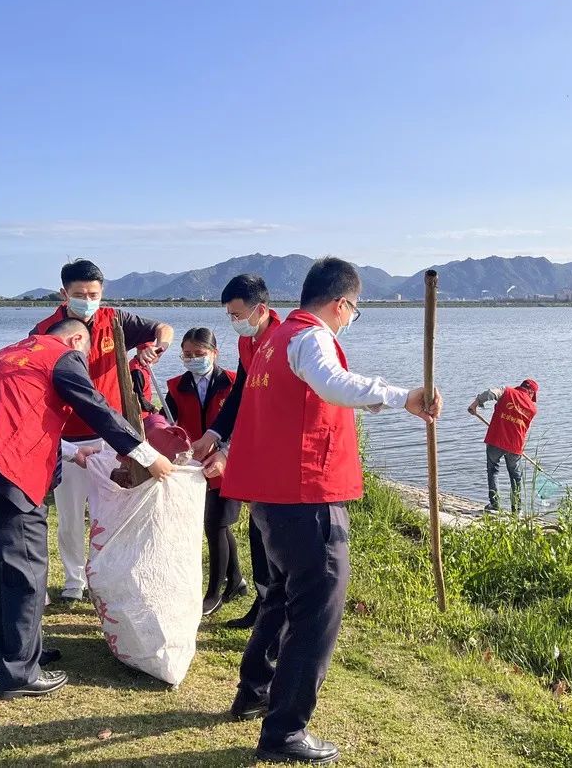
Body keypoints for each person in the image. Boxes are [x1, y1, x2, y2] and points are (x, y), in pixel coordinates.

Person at [219, 257, 442, 764]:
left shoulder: (271, 340)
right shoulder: (309, 338)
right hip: (305, 495)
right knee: (316, 609)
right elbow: (333, 384)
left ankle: (254, 689)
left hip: (273, 498)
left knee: (281, 596)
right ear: (341, 303)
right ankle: (285, 731)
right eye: (353, 311)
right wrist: (402, 395)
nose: (349, 319)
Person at [0, 319, 175, 700]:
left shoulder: (10, 354)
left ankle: (11, 651)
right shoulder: (60, 356)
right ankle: (19, 673)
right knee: (26, 569)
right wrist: (146, 455)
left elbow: (25, 419)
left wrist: (71, 458)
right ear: (75, 340)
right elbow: (98, 409)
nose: (83, 363)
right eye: (85, 355)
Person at [31, 259, 174, 602]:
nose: (87, 299)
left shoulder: (115, 321)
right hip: (67, 439)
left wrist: (158, 346)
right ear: (64, 293)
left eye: (94, 293)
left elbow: (163, 328)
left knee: (110, 512)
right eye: (79, 294)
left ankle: (107, 577)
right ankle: (73, 581)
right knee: (68, 516)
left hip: (112, 436)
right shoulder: (45, 330)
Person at [190, 274, 282, 629]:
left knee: (272, 534)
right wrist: (213, 434)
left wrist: (227, 450)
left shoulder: (283, 340)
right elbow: (241, 396)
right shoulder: (249, 343)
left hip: (276, 454)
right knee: (257, 532)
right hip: (254, 455)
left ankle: (274, 612)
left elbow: (269, 410)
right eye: (229, 314)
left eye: (238, 314)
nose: (234, 321)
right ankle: (261, 604)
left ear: (261, 308)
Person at [164, 327, 247, 616]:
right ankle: (236, 580)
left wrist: (225, 449)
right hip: (196, 466)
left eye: (199, 354)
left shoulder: (235, 384)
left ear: (214, 353)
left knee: (215, 525)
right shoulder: (176, 386)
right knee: (217, 523)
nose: (193, 359)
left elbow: (245, 422)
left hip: (229, 462)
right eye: (187, 355)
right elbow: (167, 423)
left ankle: (214, 593)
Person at [467, 378, 539, 512]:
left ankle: (494, 505)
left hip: (496, 440)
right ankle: (516, 510)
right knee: (515, 476)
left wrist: (475, 404)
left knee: (493, 470)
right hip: (515, 445)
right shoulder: (533, 409)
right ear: (531, 392)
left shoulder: (506, 392)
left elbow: (489, 393)